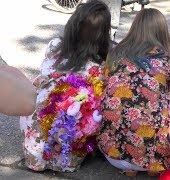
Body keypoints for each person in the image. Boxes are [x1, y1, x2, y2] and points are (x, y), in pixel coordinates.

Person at [97, 8, 170, 178]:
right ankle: (151, 163)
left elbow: (106, 83)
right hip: (151, 159)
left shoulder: (115, 54)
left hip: (110, 154)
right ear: (162, 32)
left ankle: (130, 167)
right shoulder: (169, 60)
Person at [19, 0, 111, 172]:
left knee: (42, 95)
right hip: (68, 148)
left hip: (36, 143)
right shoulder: (100, 67)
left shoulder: (54, 47)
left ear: (72, 26)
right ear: (102, 35)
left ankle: (37, 149)